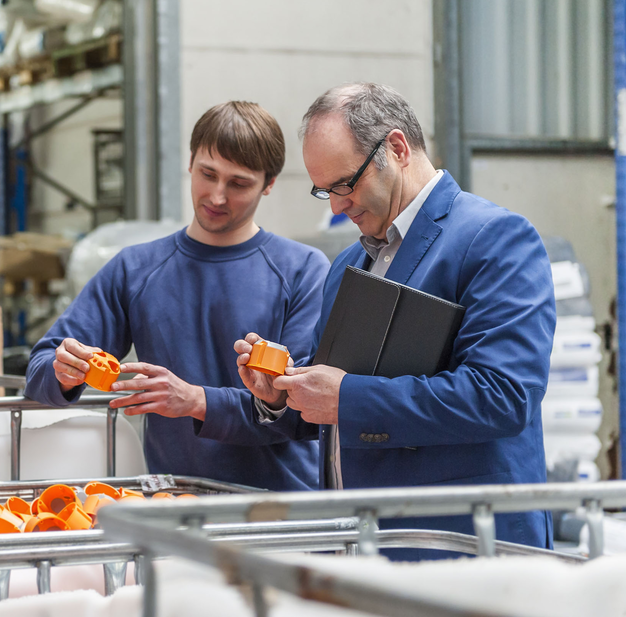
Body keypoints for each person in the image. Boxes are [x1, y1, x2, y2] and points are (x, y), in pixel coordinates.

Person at [234, 83, 556, 556]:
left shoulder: (494, 238)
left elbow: (503, 396)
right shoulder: (348, 263)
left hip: (461, 549)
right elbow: (338, 401)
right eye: (324, 191)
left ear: (397, 148)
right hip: (364, 548)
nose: (337, 207)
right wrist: (284, 395)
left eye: (345, 184)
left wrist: (346, 397)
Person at [25, 101, 329, 491]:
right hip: (176, 510)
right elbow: (39, 369)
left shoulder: (303, 270)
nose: (217, 196)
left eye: (238, 183)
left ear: (269, 184)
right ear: (190, 162)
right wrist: (63, 373)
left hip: (280, 514)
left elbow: (307, 412)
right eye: (208, 174)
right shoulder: (134, 269)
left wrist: (196, 400)